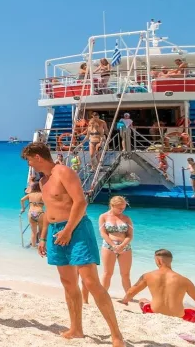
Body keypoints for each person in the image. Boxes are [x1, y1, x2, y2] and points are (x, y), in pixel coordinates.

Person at [21, 142, 123, 346]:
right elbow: (49, 211)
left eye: (29, 160)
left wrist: (68, 230)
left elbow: (80, 202)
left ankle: (116, 335)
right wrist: (42, 238)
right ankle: (76, 329)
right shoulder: (43, 182)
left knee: (91, 282)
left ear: (38, 157)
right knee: (68, 283)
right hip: (55, 232)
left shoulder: (63, 172)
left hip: (76, 229)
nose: (29, 164)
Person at [119, 249, 195, 324]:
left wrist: (124, 301)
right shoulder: (184, 280)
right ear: (170, 260)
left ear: (158, 260)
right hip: (180, 317)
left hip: (153, 312)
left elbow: (131, 292)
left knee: (142, 300)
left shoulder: (147, 276)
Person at [84, 196, 133, 303]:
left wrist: (122, 245)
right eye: (119, 208)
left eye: (123, 208)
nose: (121, 210)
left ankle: (129, 297)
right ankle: (102, 295)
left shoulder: (126, 218)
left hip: (125, 247)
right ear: (112, 206)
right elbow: (103, 233)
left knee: (125, 274)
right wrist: (113, 245)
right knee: (107, 273)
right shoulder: (103, 217)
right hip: (108, 246)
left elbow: (130, 235)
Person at [19, 181, 45, 247]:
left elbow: (22, 200)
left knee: (33, 232)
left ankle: (33, 247)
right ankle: (41, 246)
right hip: (40, 212)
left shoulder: (30, 194)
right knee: (41, 231)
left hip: (31, 213)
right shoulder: (42, 194)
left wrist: (23, 208)